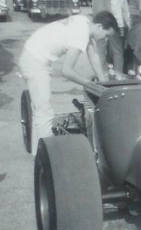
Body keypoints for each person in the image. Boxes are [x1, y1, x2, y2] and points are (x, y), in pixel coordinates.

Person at [19, 11, 119, 155]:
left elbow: (93, 55)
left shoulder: (85, 21)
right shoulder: (81, 33)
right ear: (98, 26)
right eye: (107, 35)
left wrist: (104, 83)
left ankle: (38, 156)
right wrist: (89, 84)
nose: (106, 39)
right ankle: (49, 158)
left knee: (39, 112)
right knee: (45, 113)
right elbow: (66, 70)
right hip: (35, 61)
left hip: (33, 54)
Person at [92, 0, 130, 73]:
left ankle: (102, 73)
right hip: (111, 25)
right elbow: (117, 11)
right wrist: (121, 27)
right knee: (117, 51)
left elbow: (93, 7)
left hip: (98, 25)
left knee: (100, 52)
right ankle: (118, 73)